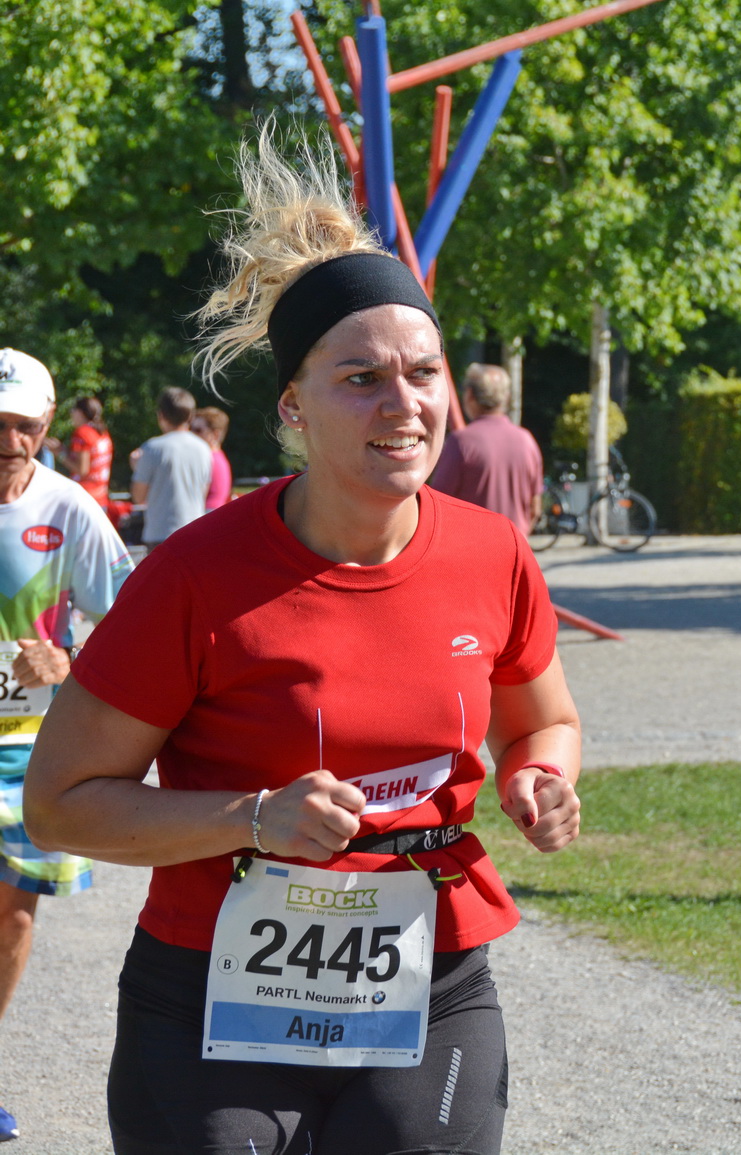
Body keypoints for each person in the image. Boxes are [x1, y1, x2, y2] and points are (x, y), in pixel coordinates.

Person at [24, 134, 581, 1155]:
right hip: (209, 997)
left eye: (422, 373)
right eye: (359, 377)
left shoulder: (491, 556)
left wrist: (540, 775)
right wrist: (253, 819)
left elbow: (544, 720)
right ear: (292, 405)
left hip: (428, 977)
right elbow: (59, 804)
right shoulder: (194, 577)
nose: (401, 404)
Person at [0, 349, 135, 1145]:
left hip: (30, 745)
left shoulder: (71, 508)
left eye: (22, 425)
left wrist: (69, 662)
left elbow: (132, 633)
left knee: (13, 919)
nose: (8, 440)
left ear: (46, 426)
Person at [427, 365, 543, 537]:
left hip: (472, 551)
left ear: (470, 395)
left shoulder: (461, 442)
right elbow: (535, 508)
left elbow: (437, 505)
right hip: (516, 551)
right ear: (506, 398)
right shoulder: (527, 440)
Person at [130, 386, 212, 551]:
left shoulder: (152, 448)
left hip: (160, 534)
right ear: (190, 416)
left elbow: (138, 497)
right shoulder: (204, 448)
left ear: (161, 415)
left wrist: (136, 468)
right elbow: (203, 492)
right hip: (195, 532)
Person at [54, 397, 115, 505]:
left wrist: (59, 454)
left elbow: (82, 470)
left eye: (74, 409)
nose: (71, 413)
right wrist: (63, 449)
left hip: (84, 497)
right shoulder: (102, 432)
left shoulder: (82, 433)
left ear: (81, 412)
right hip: (101, 496)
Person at [191, 406, 234, 510]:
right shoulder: (219, 457)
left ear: (215, 435)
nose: (191, 434)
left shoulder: (208, 459)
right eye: (190, 429)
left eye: (198, 430)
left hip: (205, 516)